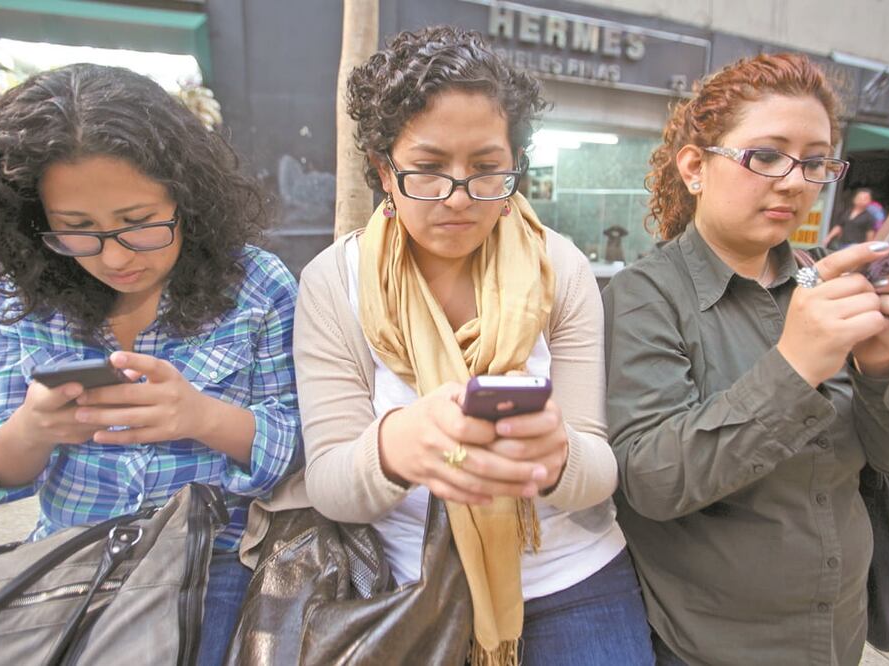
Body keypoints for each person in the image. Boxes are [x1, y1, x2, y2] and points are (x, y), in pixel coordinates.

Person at [262, 26, 653, 666]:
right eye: (428, 169)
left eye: (486, 169)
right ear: (384, 169)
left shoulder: (562, 267)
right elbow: (330, 485)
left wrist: (555, 457)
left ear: (514, 164)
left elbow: (599, 471)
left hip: (575, 583)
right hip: (406, 592)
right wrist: (396, 446)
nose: (459, 197)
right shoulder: (334, 283)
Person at [0, 64, 302, 665]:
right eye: (76, 231)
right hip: (72, 559)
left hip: (216, 564)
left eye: (138, 224)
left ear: (186, 198)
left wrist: (201, 416)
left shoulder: (257, 286)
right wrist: (35, 426)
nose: (113, 257)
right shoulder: (26, 298)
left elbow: (298, 453)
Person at [604, 53, 889, 666]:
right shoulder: (644, 296)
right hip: (705, 645)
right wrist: (793, 368)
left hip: (839, 634)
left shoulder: (834, 281)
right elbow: (650, 481)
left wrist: (886, 364)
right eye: (765, 156)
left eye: (816, 161)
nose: (795, 182)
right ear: (695, 167)